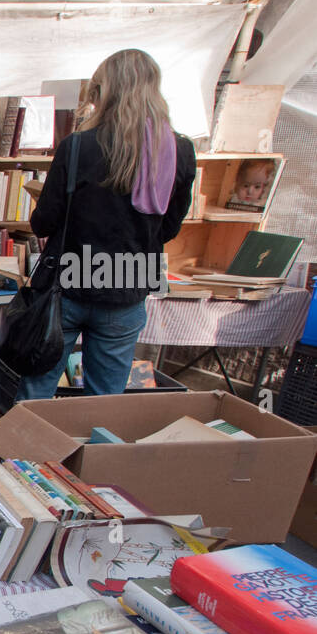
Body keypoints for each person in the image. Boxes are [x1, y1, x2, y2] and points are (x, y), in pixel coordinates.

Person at [17, 49, 197, 400]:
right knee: (106, 401)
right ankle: (97, 454)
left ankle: (24, 457)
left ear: (104, 93)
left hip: (68, 282)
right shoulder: (178, 150)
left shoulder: (78, 147)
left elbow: (43, 224)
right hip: (129, 283)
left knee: (36, 394)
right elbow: (170, 227)